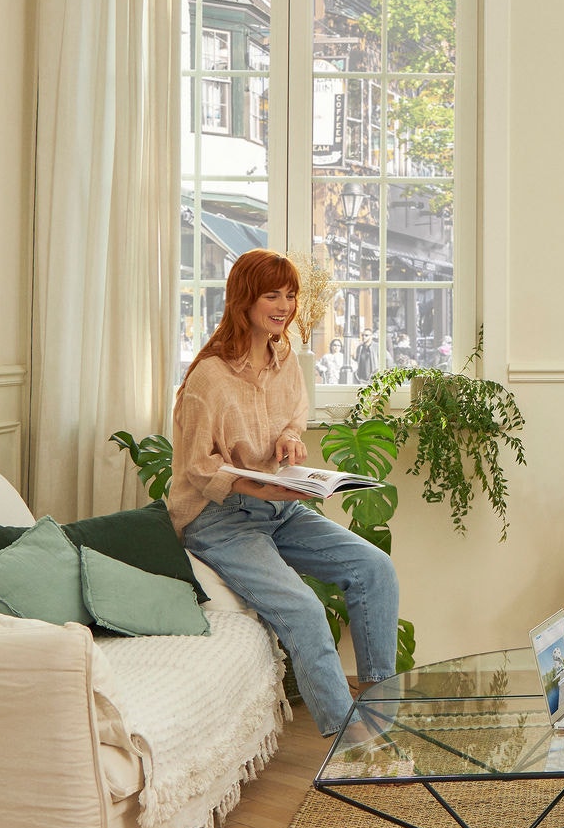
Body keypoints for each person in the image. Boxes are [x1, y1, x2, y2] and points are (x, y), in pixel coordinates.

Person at [169, 249, 400, 739]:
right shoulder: (208, 376)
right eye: (272, 294)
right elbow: (198, 465)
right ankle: (349, 742)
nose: (284, 305)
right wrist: (259, 484)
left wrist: (290, 440)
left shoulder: (286, 358)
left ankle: (380, 719)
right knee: (303, 608)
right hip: (220, 516)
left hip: (279, 507)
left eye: (290, 295)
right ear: (244, 299)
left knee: (374, 568)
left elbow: (293, 416)